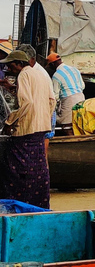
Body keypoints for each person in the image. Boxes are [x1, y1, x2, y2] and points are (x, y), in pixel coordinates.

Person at [0, 50, 56, 209]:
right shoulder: (40, 74)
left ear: (19, 64)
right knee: (38, 169)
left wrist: (10, 122)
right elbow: (51, 100)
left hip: (26, 130)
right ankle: (38, 204)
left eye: (11, 65)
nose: (9, 69)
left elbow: (27, 103)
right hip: (40, 129)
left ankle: (17, 204)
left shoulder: (24, 75)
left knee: (14, 169)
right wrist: (43, 117)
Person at [17, 44, 56, 148]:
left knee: (41, 151)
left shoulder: (32, 72)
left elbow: (29, 101)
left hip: (42, 116)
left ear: (32, 59)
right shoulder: (32, 71)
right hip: (42, 116)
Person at [46, 53, 85, 135]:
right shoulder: (75, 69)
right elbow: (82, 86)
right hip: (81, 97)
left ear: (53, 64)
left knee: (67, 126)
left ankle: (71, 143)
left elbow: (55, 96)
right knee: (79, 123)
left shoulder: (56, 76)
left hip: (69, 100)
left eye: (50, 66)